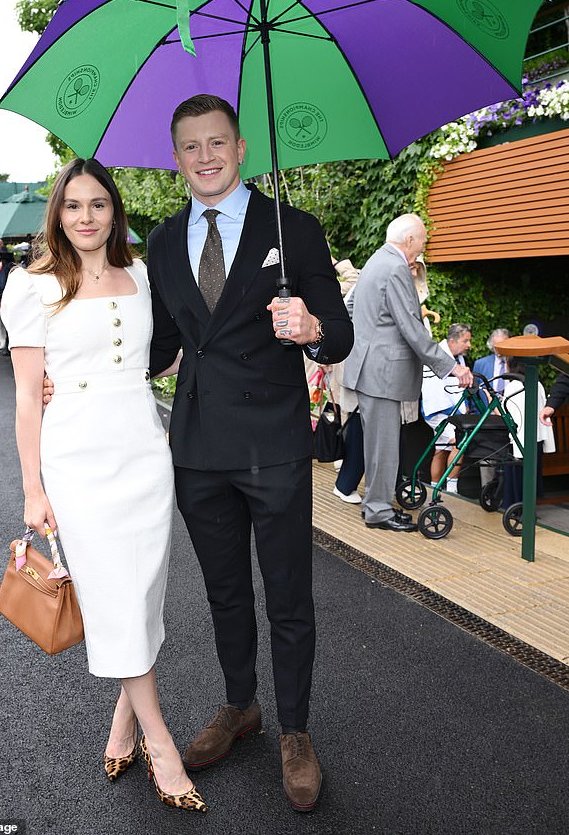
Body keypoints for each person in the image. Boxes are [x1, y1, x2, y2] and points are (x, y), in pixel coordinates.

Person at [141, 94, 352, 812]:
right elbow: (163, 344)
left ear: (241, 149)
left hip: (274, 447)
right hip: (197, 449)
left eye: (217, 142)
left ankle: (294, 729)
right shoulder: (164, 241)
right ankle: (241, 705)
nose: (205, 155)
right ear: (177, 158)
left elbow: (342, 334)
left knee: (288, 596)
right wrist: (79, 370)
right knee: (224, 591)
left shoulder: (292, 229)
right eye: (191, 145)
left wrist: (311, 323)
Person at [1, 158, 206, 814]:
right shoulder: (29, 286)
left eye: (98, 204)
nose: (86, 216)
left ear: (115, 211)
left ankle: (121, 723)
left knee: (143, 590)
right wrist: (33, 489)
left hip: (144, 450)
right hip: (77, 459)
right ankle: (160, 740)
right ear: (56, 214)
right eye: (73, 205)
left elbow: (161, 355)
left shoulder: (142, 275)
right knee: (115, 596)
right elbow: (28, 399)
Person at [342, 214, 473, 531]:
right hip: (384, 373)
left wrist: (362, 345)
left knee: (376, 445)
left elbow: (350, 306)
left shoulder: (375, 260)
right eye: (423, 241)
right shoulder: (396, 267)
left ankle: (376, 505)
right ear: (410, 240)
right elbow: (412, 329)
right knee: (383, 445)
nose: (423, 249)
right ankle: (379, 511)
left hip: (369, 368)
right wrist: (451, 366)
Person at [421, 323, 472, 493]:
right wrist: (457, 414)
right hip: (439, 411)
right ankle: (452, 490)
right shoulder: (439, 355)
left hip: (449, 412)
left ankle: (434, 488)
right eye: (465, 341)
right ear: (452, 341)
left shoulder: (458, 358)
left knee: (441, 448)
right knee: (459, 443)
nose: (469, 345)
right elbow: (433, 392)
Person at [502, 358, 555, 509]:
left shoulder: (512, 387)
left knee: (516, 478)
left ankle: (515, 508)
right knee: (531, 476)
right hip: (535, 439)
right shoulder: (537, 385)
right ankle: (529, 508)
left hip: (517, 441)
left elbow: (508, 414)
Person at [472, 328, 510, 404]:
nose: (499, 349)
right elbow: (473, 393)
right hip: (488, 411)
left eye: (502, 345)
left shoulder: (517, 365)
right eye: (496, 346)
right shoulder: (480, 364)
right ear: (492, 346)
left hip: (512, 410)